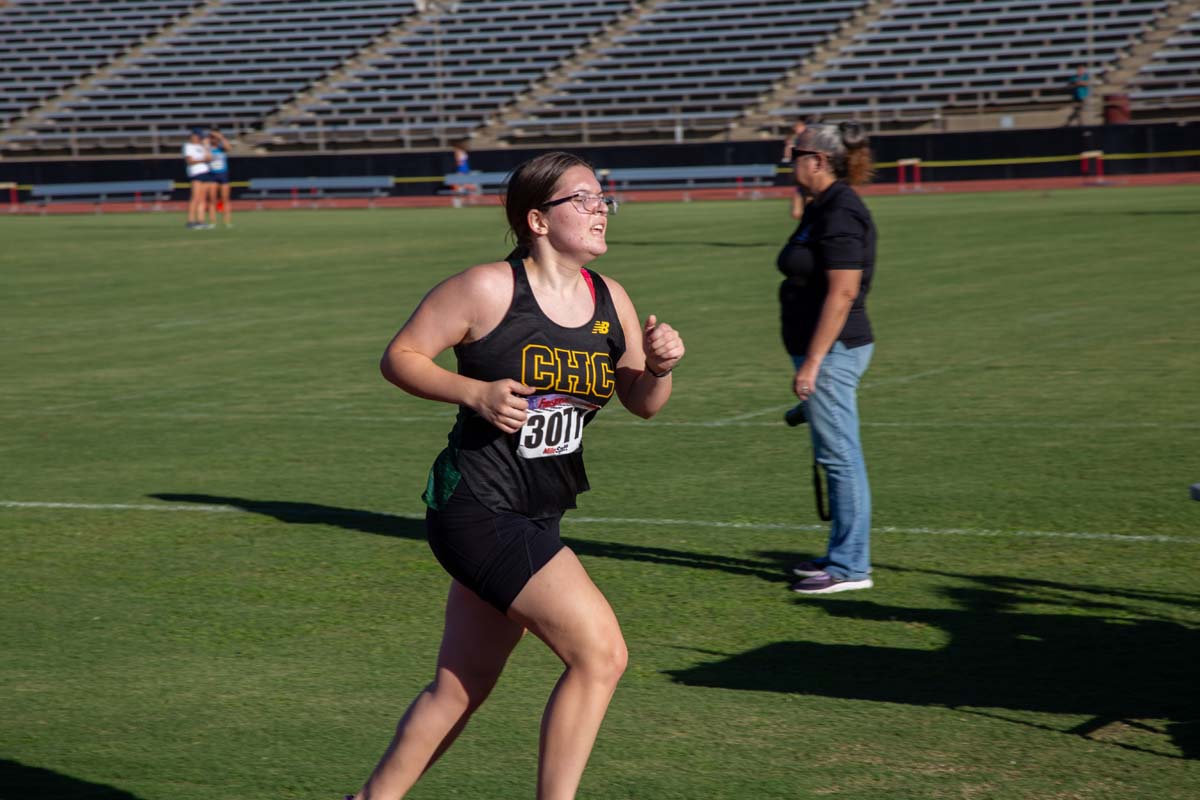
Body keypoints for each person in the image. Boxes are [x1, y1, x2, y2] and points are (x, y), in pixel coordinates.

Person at [348, 151, 685, 800]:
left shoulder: (609, 298)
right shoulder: (487, 289)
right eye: (582, 199)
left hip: (539, 508)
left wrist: (661, 369)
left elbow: (643, 402)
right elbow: (401, 356)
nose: (600, 209)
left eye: (603, 198)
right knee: (601, 654)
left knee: (460, 686)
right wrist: (472, 392)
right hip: (478, 507)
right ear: (538, 219)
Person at [777, 121, 877, 595]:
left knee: (841, 458)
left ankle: (850, 567)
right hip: (823, 351)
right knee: (834, 455)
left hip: (834, 352)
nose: (790, 163)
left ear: (817, 161)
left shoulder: (841, 211)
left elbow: (843, 293)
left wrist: (813, 363)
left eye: (796, 155)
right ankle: (841, 554)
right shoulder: (822, 205)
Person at [182, 127, 213, 229]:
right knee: (195, 197)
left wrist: (206, 147)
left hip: (205, 172)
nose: (199, 138)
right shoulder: (188, 146)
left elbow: (209, 157)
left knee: (202, 198)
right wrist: (203, 160)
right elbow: (190, 161)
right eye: (198, 136)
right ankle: (190, 220)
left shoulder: (202, 146)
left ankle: (201, 220)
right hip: (196, 173)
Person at [780, 120, 810, 220]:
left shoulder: (809, 139)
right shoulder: (793, 140)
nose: (796, 130)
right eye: (795, 128)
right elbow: (787, 155)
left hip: (809, 178)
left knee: (809, 208)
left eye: (798, 127)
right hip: (801, 179)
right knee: (796, 213)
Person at [206, 127, 232, 227]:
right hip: (212, 175)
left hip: (223, 175)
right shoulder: (208, 148)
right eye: (212, 137)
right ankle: (213, 222)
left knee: (225, 199)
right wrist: (208, 142)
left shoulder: (222, 148)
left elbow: (228, 148)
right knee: (212, 199)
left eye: (215, 137)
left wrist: (221, 137)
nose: (214, 139)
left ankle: (227, 222)